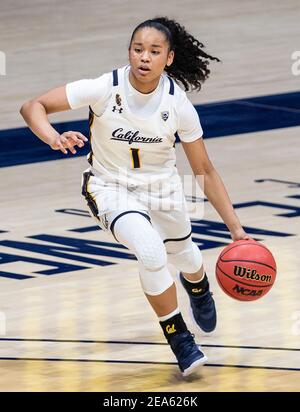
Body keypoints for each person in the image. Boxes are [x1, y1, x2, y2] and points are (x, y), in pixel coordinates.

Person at [20, 17, 249, 377]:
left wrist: (235, 229)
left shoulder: (178, 105)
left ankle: (199, 287)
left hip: (163, 189)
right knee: (151, 253)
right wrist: (52, 137)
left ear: (169, 58)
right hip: (109, 188)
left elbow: (203, 169)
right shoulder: (103, 87)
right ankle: (180, 340)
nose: (144, 57)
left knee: (185, 256)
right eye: (137, 49)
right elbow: (33, 106)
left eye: (154, 51)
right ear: (129, 51)